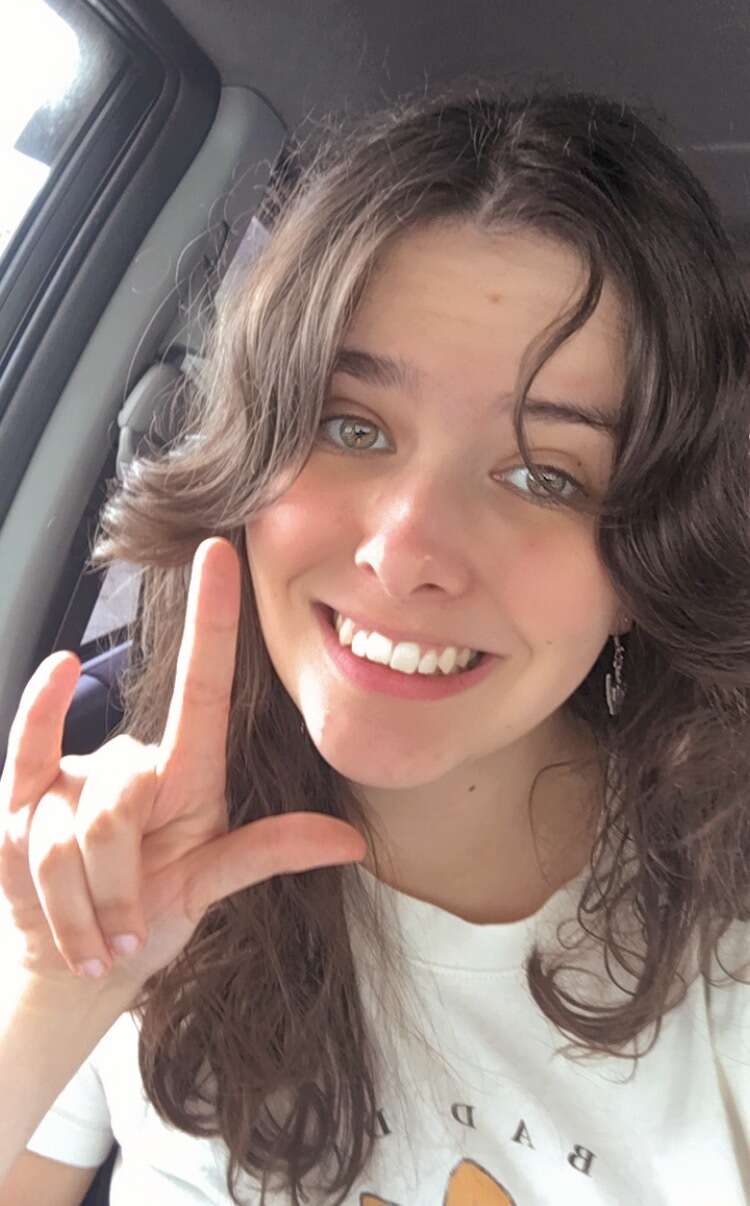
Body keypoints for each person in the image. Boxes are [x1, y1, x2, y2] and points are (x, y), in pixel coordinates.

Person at [2, 81, 750, 1205]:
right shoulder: (107, 856)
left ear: (650, 557)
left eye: (545, 474)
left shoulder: (724, 949)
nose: (407, 552)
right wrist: (54, 992)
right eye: (350, 425)